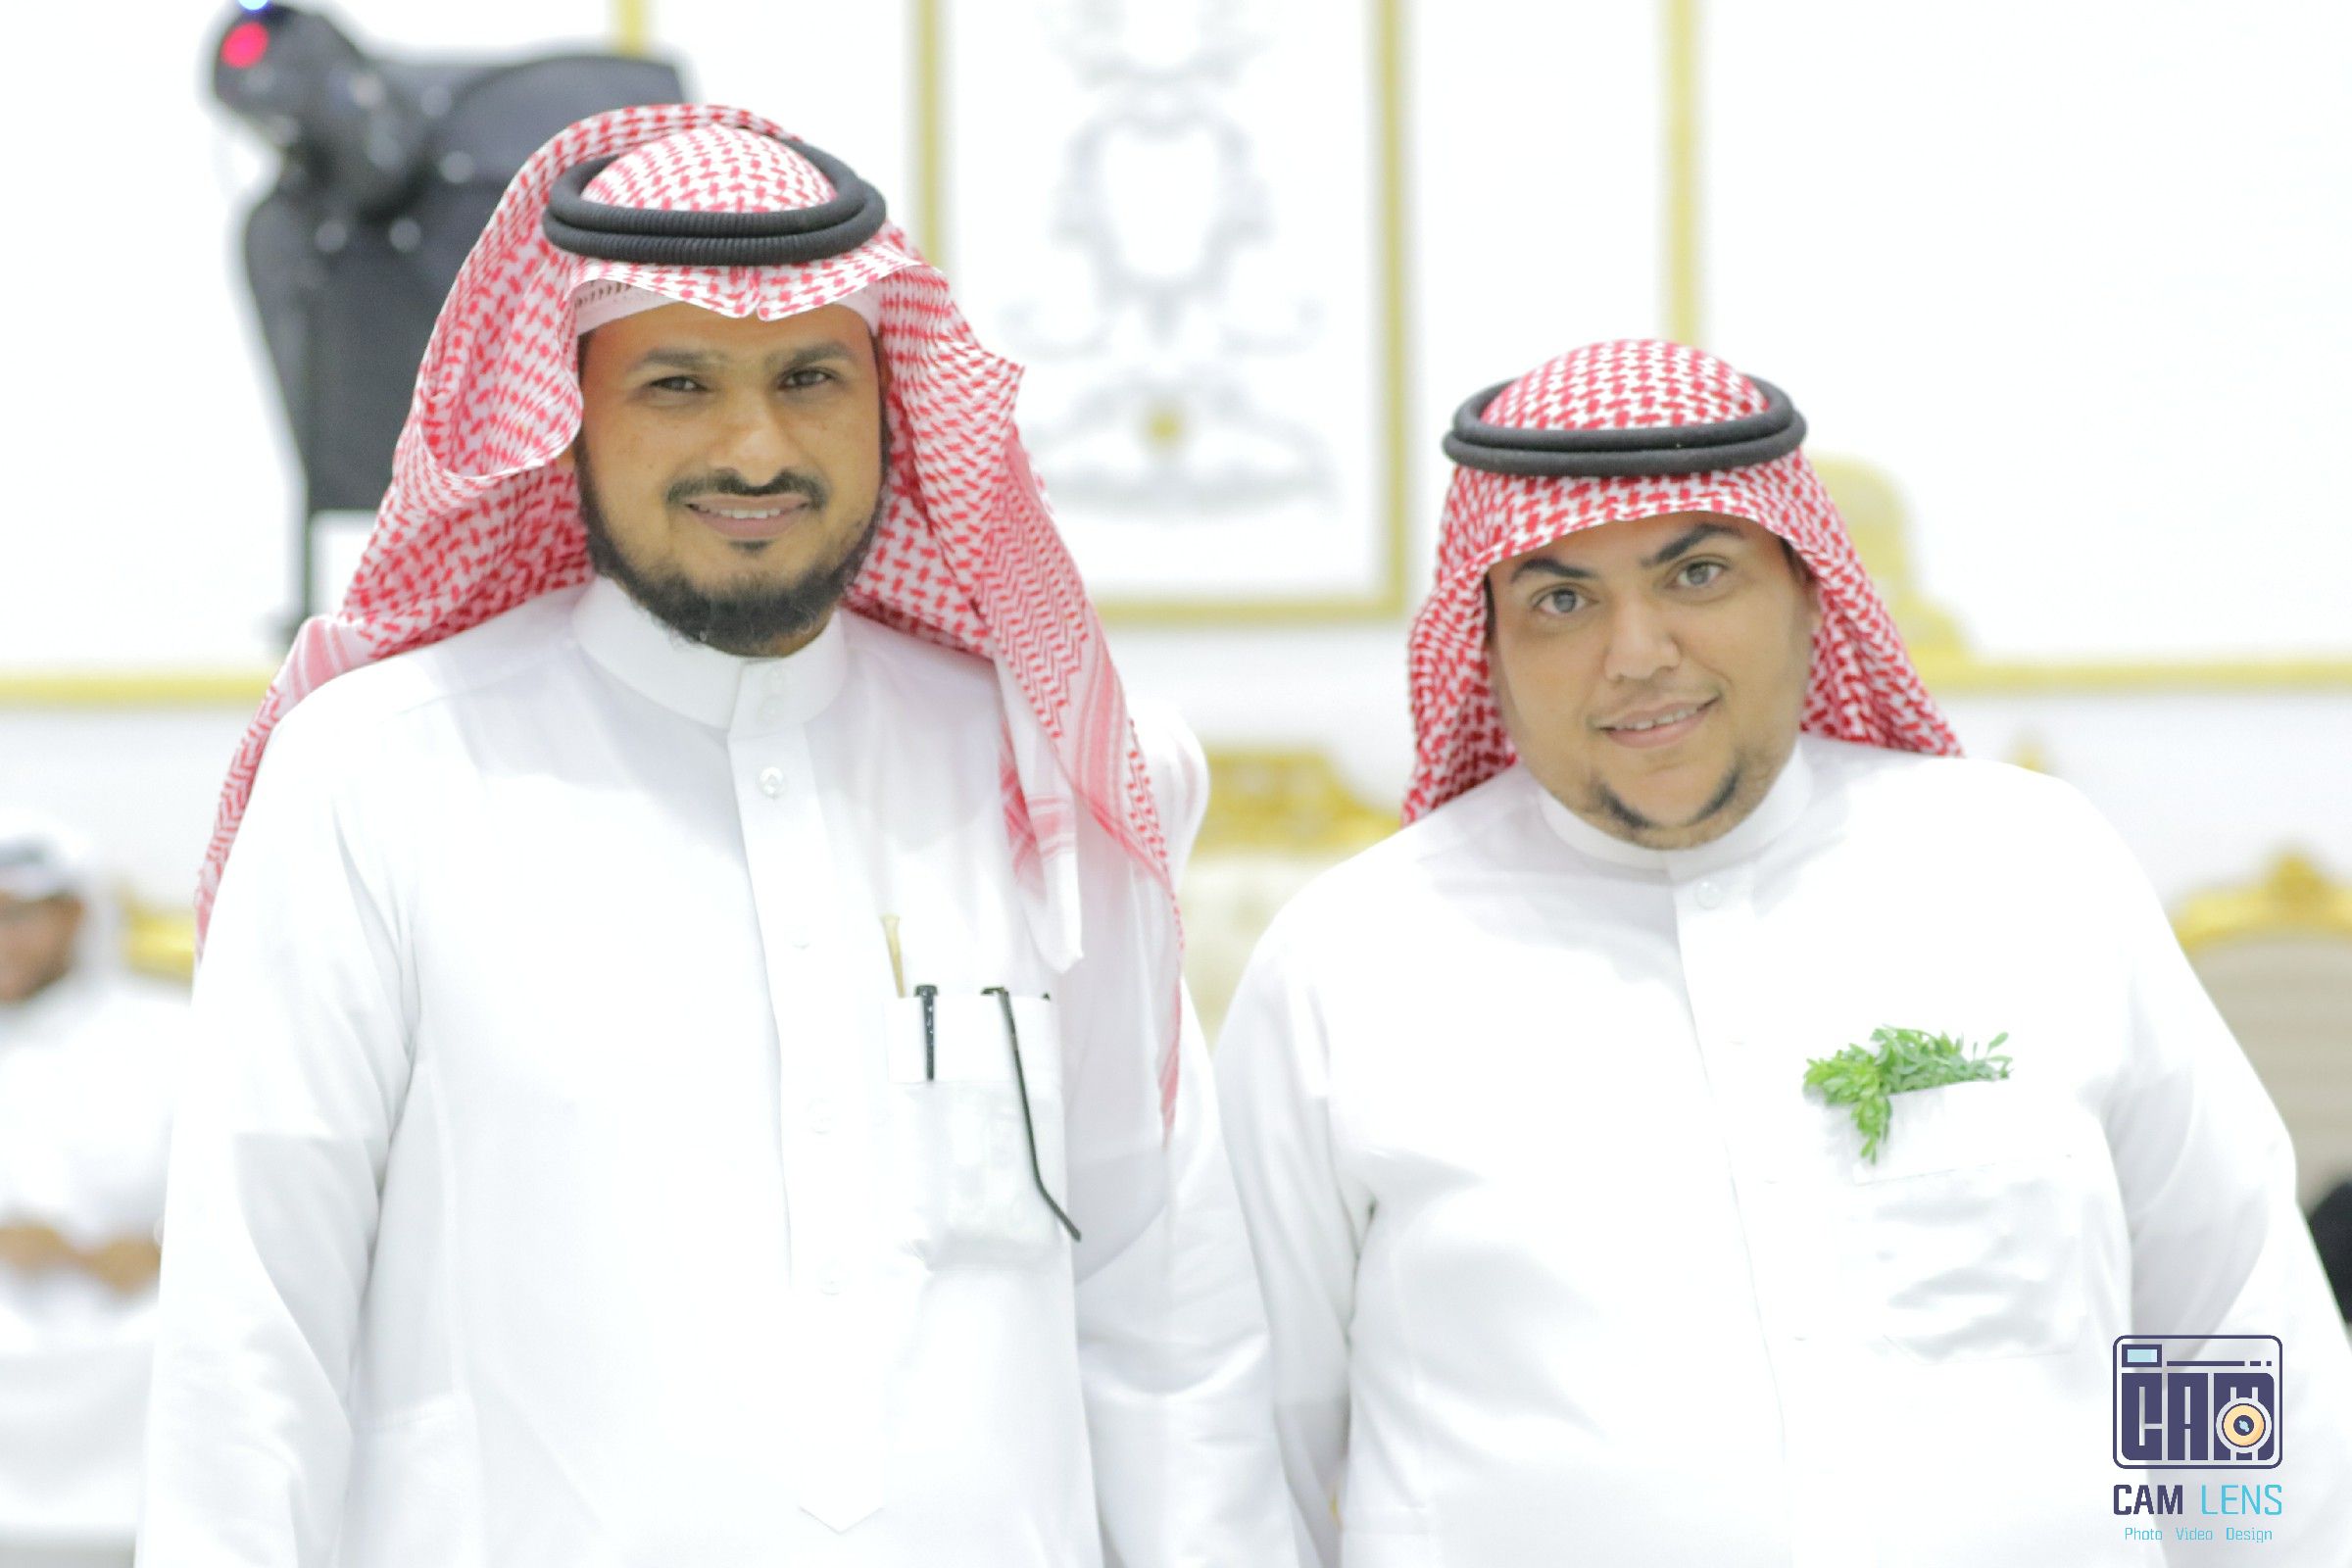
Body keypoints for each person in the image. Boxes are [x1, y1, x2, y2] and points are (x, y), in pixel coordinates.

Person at [141, 106, 1294, 1566]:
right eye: (678, 383)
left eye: (811, 378)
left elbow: (1166, 1319)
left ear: (891, 404)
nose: (757, 447)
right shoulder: (377, 773)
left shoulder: (1034, 763)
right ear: (565, 414)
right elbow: (253, 1332)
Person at [1214, 339, 2352, 1566]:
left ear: (1811, 589)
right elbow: (1249, 1447)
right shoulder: (1349, 962)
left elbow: (2217, 1324)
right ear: (1484, 644)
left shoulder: (2033, 871)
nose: (1637, 652)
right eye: (1560, 601)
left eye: (1698, 573)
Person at [0, 811, 178, 1568]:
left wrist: (165, 1252)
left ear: (74, 916)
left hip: (138, 1326)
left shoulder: (172, 1035)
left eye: (17, 917)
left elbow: (248, 1197)